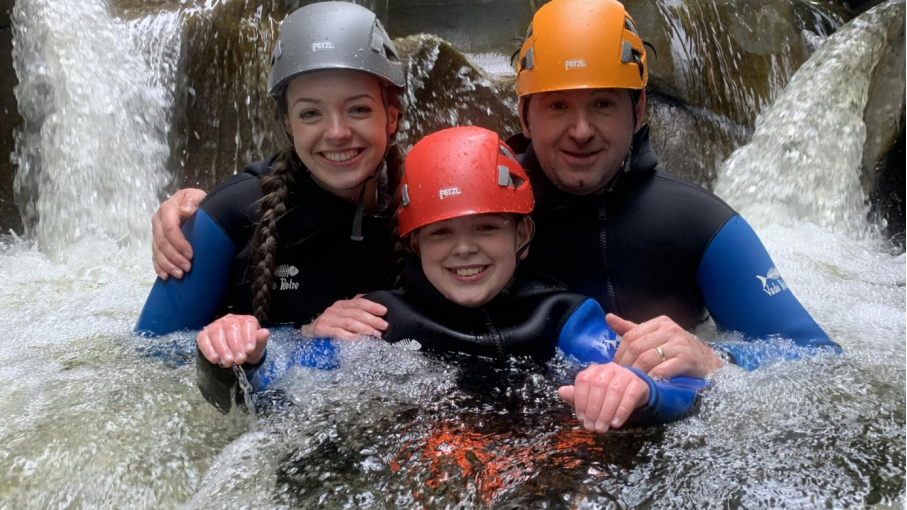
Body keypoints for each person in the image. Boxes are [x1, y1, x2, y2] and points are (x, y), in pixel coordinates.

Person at [149, 0, 841, 379]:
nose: (579, 131)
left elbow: (822, 366)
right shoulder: (471, 189)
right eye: (557, 107)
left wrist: (717, 359)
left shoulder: (700, 225)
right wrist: (279, 341)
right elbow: (140, 363)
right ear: (523, 113)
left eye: (603, 105)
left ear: (639, 111)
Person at [197, 126, 709, 434]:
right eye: (442, 232)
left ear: (521, 234)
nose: (465, 248)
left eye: (486, 227)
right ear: (415, 243)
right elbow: (273, 388)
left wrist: (640, 389)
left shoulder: (562, 318)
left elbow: (683, 383)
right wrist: (236, 358)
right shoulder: (376, 321)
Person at [135, 1, 405, 364]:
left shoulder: (426, 201)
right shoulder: (228, 214)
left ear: (391, 117)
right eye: (311, 113)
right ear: (289, 124)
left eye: (358, 109)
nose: (337, 132)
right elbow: (148, 358)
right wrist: (303, 338)